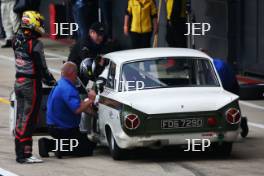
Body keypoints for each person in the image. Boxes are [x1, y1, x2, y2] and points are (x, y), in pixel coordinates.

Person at [13, 11, 56, 163]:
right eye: (39, 22)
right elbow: (42, 67)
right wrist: (52, 82)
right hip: (31, 84)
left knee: (20, 117)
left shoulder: (15, 39)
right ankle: (24, 154)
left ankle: (20, 150)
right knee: (29, 118)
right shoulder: (35, 44)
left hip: (18, 81)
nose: (41, 25)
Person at [40, 62, 96, 158]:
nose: (77, 75)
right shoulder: (68, 89)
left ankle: (54, 144)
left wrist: (93, 112)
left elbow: (77, 105)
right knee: (88, 148)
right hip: (63, 129)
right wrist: (91, 100)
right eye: (76, 73)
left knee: (86, 140)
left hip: (55, 126)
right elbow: (77, 109)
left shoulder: (61, 84)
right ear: (72, 73)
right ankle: (55, 147)